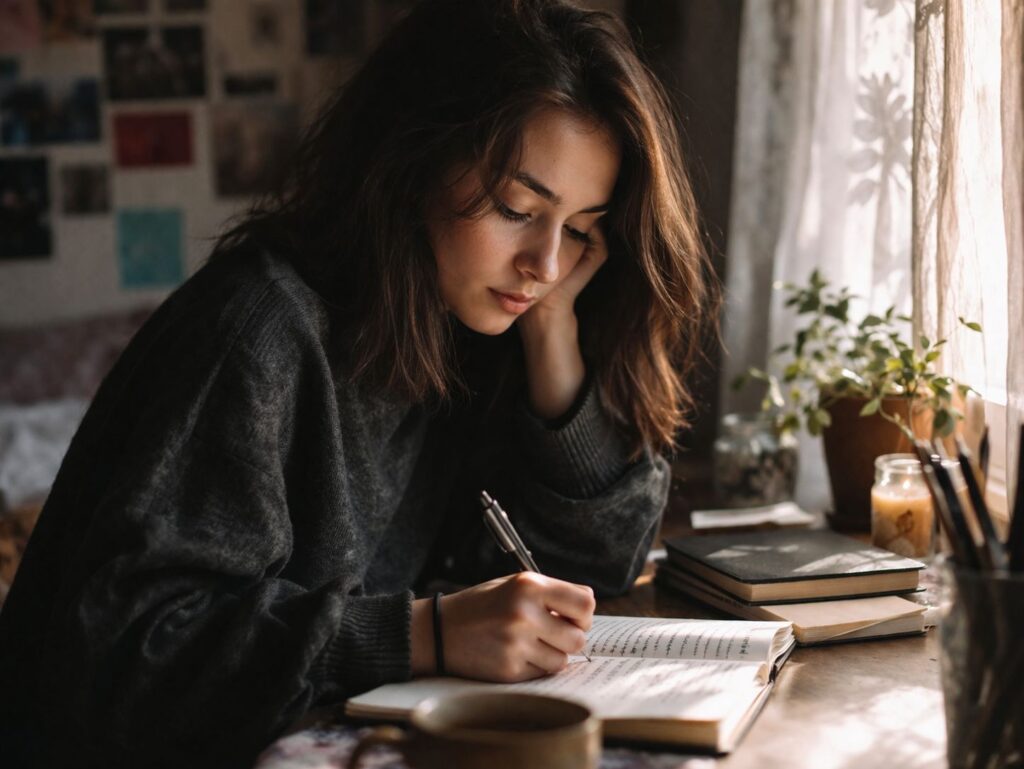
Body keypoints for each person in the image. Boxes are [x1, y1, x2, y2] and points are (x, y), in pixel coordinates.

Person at [0, 0, 717, 766]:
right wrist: (422, 632)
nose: (544, 262)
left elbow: (600, 564)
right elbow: (130, 651)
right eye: (517, 208)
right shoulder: (257, 333)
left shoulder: (474, 325)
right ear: (412, 161)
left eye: (579, 229)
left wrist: (554, 332)